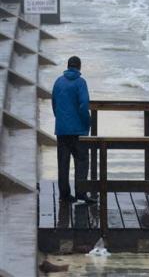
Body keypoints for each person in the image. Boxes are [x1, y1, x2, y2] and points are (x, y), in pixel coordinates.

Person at [52, 56, 95, 204]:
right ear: (79, 67)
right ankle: (81, 193)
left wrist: (61, 120)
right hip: (78, 131)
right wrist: (86, 122)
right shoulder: (81, 82)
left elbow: (54, 104)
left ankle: (64, 195)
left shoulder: (58, 81)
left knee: (63, 162)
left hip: (62, 129)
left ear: (68, 66)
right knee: (82, 161)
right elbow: (84, 105)